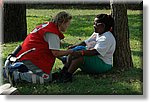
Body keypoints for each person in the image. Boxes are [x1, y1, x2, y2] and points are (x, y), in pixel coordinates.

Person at [4, 11, 73, 84]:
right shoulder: (52, 33)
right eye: (67, 24)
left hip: (26, 54)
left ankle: (17, 69)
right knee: (45, 78)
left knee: (45, 75)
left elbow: (49, 49)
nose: (68, 26)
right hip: (31, 58)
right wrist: (71, 51)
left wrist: (62, 58)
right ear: (62, 22)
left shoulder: (47, 26)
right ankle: (15, 76)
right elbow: (55, 53)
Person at [56, 14, 116, 83]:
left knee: (80, 57)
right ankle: (64, 69)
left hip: (103, 64)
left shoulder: (106, 37)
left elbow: (95, 52)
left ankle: (67, 75)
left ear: (102, 25)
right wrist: (73, 47)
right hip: (95, 59)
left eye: (96, 24)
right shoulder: (97, 33)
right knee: (78, 48)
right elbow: (85, 42)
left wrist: (80, 53)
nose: (94, 26)